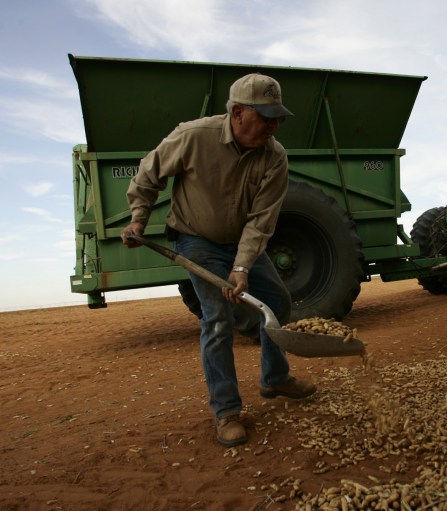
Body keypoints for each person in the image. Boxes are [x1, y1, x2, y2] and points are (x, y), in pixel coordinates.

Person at [120, 72, 316, 447]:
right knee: (218, 320)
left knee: (276, 301)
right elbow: (148, 174)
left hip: (242, 242)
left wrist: (242, 267)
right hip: (198, 240)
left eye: (278, 118)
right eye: (266, 116)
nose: (273, 126)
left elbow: (262, 220)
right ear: (238, 112)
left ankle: (274, 379)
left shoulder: (275, 156)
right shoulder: (195, 136)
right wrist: (138, 219)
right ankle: (226, 411)